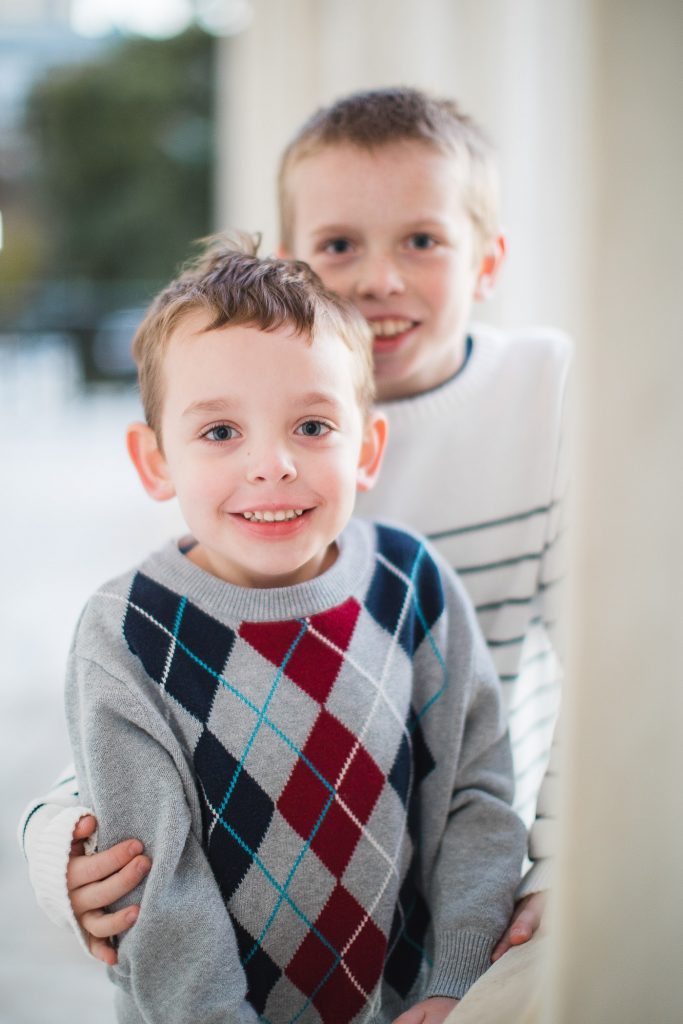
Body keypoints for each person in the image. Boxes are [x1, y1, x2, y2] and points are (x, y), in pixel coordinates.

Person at [19, 87, 570, 972]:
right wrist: (61, 839)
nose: (379, 277)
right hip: (271, 865)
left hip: (467, 854)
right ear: (294, 263)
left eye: (421, 240)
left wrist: (570, 861)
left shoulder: (548, 392)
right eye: (340, 245)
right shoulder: (248, 430)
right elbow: (168, 675)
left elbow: (622, 657)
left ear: (487, 259)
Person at [56, 239, 526, 1023]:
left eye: (311, 425)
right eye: (218, 434)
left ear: (366, 447)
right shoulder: (127, 634)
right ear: (154, 461)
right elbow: (156, 890)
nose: (271, 464)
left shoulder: (412, 586)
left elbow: (475, 798)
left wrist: (459, 983)